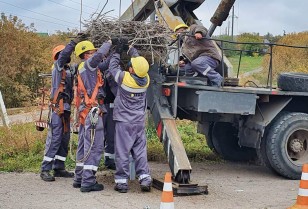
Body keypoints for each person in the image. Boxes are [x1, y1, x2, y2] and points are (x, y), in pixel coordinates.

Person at [107, 39, 152, 193]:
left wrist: (117, 52)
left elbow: (112, 67)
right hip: (139, 122)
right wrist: (132, 49)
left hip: (124, 122)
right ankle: (145, 179)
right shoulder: (146, 80)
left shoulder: (124, 78)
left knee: (122, 152)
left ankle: (121, 182)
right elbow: (141, 65)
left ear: (131, 70)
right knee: (139, 151)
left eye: (131, 66)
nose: (129, 67)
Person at [40, 33, 86, 182]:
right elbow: (65, 53)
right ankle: (45, 169)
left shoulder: (68, 70)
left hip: (65, 110)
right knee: (55, 139)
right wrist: (74, 42)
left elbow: (81, 65)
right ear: (58, 57)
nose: (67, 56)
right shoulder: (57, 68)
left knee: (64, 139)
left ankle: (59, 167)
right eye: (62, 54)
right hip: (57, 110)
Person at [72, 40, 112, 192]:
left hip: (85, 111)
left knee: (83, 144)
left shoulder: (87, 68)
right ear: (85, 55)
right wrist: (109, 42)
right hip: (93, 112)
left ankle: (79, 177)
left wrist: (114, 54)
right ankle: (88, 181)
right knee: (94, 146)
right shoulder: (88, 65)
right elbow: (101, 55)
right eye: (92, 52)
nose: (95, 54)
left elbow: (104, 63)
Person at [98, 57, 116, 170]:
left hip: (112, 106)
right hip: (100, 107)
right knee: (99, 134)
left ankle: (109, 159)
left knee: (111, 134)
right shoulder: (96, 69)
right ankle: (93, 161)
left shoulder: (114, 71)